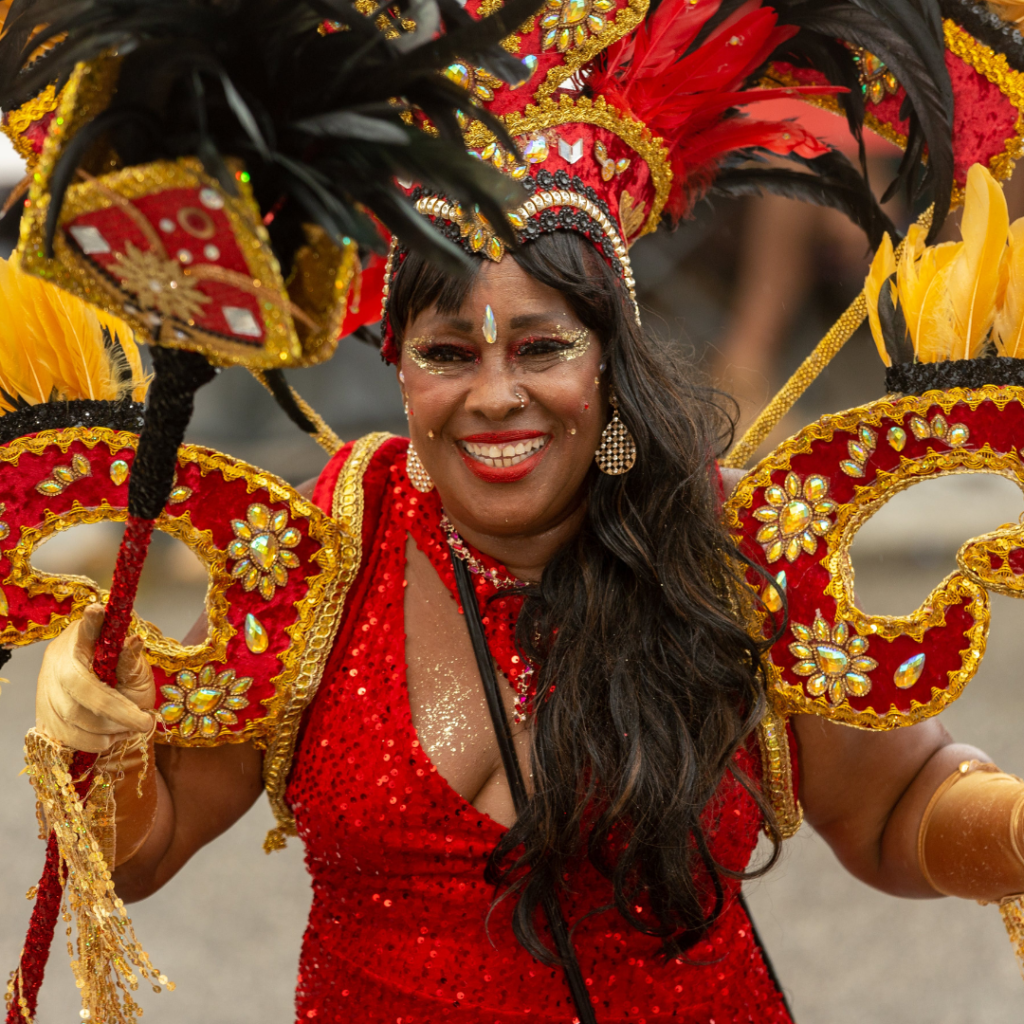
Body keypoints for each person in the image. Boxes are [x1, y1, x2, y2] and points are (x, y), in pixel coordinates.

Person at [19, 0, 1024, 1021]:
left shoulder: (727, 545)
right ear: (400, 374)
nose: (495, 394)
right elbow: (145, 849)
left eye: (541, 347)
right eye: (448, 353)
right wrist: (105, 738)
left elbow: (899, 805)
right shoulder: (330, 546)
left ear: (610, 361)